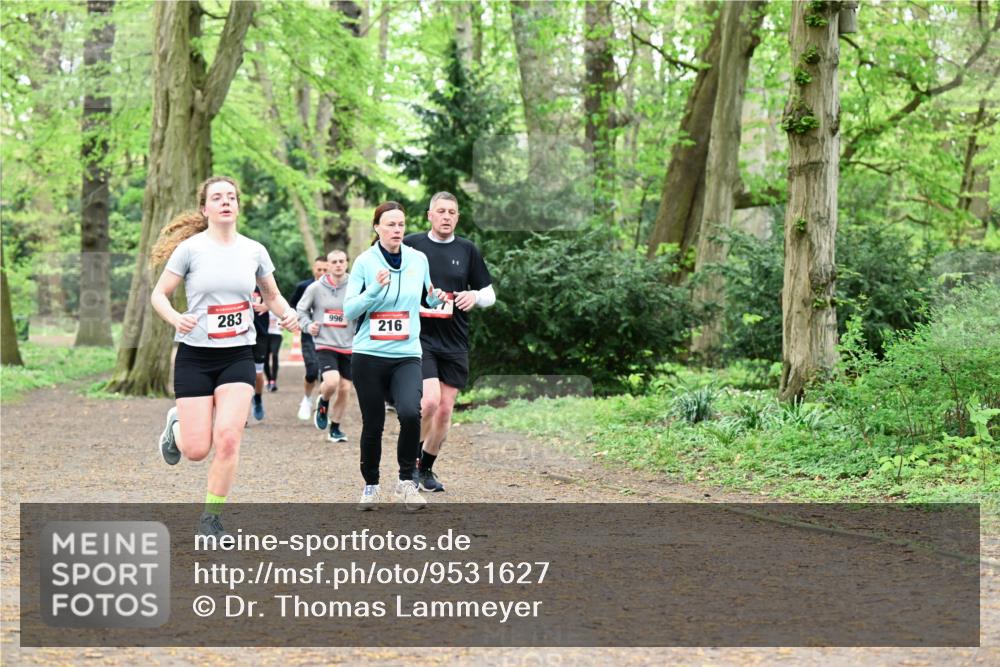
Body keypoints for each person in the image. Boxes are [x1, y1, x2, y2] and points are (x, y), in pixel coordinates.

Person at [151, 176, 299, 538]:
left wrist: (288, 314)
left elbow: (272, 295)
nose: (226, 202)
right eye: (217, 198)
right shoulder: (190, 250)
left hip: (238, 356)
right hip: (195, 357)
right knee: (196, 450)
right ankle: (176, 427)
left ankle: (211, 519)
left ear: (238, 205)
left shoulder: (254, 250)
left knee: (229, 437)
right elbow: (159, 295)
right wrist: (176, 318)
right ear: (205, 208)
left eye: (231, 196)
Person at [343, 201, 445, 511]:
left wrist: (434, 299)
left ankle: (406, 482)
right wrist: (374, 290)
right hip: (369, 354)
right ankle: (371, 486)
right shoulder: (364, 262)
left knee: (412, 413)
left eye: (401, 224)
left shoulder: (418, 259)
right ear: (377, 228)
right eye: (390, 224)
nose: (397, 229)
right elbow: (350, 310)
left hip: (406, 353)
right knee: (373, 423)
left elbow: (427, 296)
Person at [404, 192, 495, 492]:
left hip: (455, 339)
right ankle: (409, 464)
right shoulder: (412, 244)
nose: (446, 216)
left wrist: (475, 296)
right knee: (429, 402)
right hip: (421, 337)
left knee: (444, 411)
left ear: (457, 217)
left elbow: (490, 293)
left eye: (451, 212)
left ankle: (425, 469)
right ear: (429, 215)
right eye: (440, 211)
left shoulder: (467, 249)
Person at [296, 249, 354, 443]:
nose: (338, 265)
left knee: (345, 388)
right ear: (327, 265)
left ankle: (335, 428)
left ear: (346, 263)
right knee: (331, 381)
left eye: (341, 261)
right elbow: (301, 311)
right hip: (325, 342)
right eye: (334, 262)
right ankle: (324, 400)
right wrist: (308, 325)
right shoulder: (315, 288)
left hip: (349, 343)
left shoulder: (356, 285)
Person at [289, 256, 328, 420]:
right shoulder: (303, 286)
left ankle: (322, 405)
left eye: (325, 270)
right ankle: (306, 399)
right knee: (312, 371)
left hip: (330, 336)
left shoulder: (337, 288)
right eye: (319, 269)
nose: (322, 273)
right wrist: (299, 321)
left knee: (327, 375)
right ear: (313, 269)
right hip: (308, 335)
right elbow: (292, 306)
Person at [250, 286, 269, 420]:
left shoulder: (264, 280)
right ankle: (240, 414)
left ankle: (257, 398)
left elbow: (275, 298)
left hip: (260, 334)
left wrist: (267, 306)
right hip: (239, 334)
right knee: (240, 375)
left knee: (258, 373)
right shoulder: (236, 278)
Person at [264, 310, 283, 392]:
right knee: (265, 358)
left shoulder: (277, 307)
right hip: (265, 335)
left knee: (275, 355)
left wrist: (280, 325)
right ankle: (269, 379)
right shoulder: (262, 307)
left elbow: (281, 323)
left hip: (276, 335)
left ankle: (273, 381)